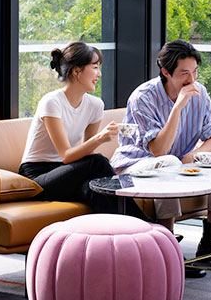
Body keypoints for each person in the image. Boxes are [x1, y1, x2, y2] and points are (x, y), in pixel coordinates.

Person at [111, 39, 211, 276]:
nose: (191, 80)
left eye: (195, 72)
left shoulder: (200, 93)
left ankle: (209, 242)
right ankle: (168, 252)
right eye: (184, 74)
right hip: (133, 168)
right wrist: (177, 107)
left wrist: (194, 155)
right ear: (165, 72)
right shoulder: (143, 97)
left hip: (178, 161)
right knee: (169, 162)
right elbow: (159, 150)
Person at [18, 42, 148, 218]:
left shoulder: (95, 105)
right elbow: (67, 155)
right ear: (76, 71)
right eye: (95, 67)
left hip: (68, 173)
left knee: (95, 190)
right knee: (98, 161)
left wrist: (98, 141)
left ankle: (129, 236)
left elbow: (85, 153)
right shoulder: (52, 102)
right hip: (38, 177)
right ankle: (147, 225)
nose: (99, 74)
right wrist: (101, 138)